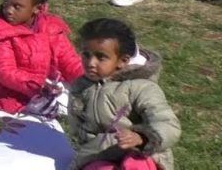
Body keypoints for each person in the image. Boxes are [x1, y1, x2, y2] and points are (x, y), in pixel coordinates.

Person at [68, 18, 181, 170]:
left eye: (101, 57)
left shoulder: (141, 87)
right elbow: (79, 130)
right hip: (99, 154)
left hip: (140, 152)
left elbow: (168, 124)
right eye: (86, 55)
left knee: (134, 164)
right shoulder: (80, 87)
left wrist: (142, 137)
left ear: (122, 61)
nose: (91, 63)